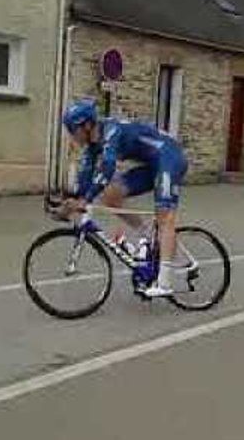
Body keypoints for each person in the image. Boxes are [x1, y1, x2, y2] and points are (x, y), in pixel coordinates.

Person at [57, 99, 189, 298]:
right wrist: (73, 200)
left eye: (72, 130)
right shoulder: (92, 145)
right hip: (152, 164)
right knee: (111, 194)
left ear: (86, 125)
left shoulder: (111, 132)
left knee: (165, 216)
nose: (71, 135)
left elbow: (108, 167)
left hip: (169, 157)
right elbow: (85, 175)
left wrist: (86, 199)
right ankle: (147, 234)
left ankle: (165, 282)